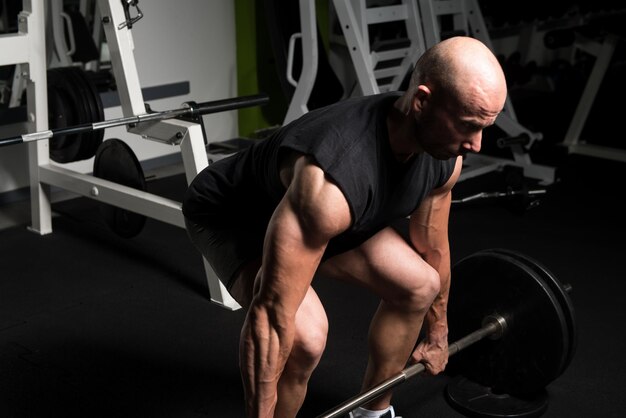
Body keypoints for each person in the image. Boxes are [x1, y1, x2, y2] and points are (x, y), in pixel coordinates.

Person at [182, 36, 508, 418]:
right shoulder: (332, 181)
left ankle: (372, 413)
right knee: (304, 338)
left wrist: (438, 331)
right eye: (469, 126)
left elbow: (432, 248)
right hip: (236, 217)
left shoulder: (445, 155)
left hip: (320, 216)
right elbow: (271, 319)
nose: (477, 144)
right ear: (421, 102)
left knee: (420, 286)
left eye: (484, 127)